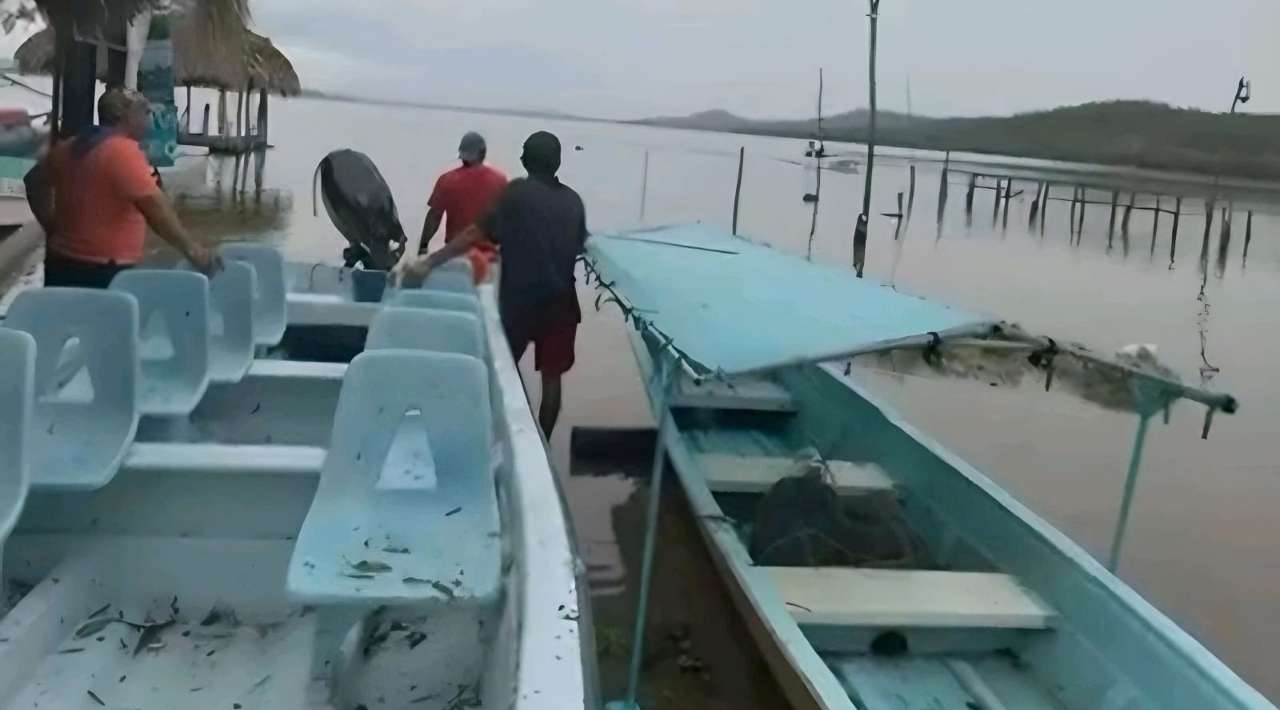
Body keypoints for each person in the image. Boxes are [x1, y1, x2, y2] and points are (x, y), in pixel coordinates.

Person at [397, 130, 587, 436]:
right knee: (552, 381)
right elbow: (577, 244)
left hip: (520, 302)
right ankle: (545, 442)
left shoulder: (515, 193)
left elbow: (476, 233)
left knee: (499, 371)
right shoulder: (574, 201)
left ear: (525, 159)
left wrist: (428, 262)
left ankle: (486, 434)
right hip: (562, 304)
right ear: (558, 162)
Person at [28, 86, 219, 288]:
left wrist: (51, 226)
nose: (150, 116)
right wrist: (193, 251)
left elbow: (33, 181)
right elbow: (156, 209)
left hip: (61, 262)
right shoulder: (121, 151)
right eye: (144, 111)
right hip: (103, 270)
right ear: (124, 116)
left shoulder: (71, 146)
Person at [418, 131, 507, 282]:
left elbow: (434, 217)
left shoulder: (447, 180)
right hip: (489, 260)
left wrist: (423, 247)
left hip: (457, 259)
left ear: (462, 154)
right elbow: (507, 220)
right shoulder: (500, 180)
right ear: (483, 153)